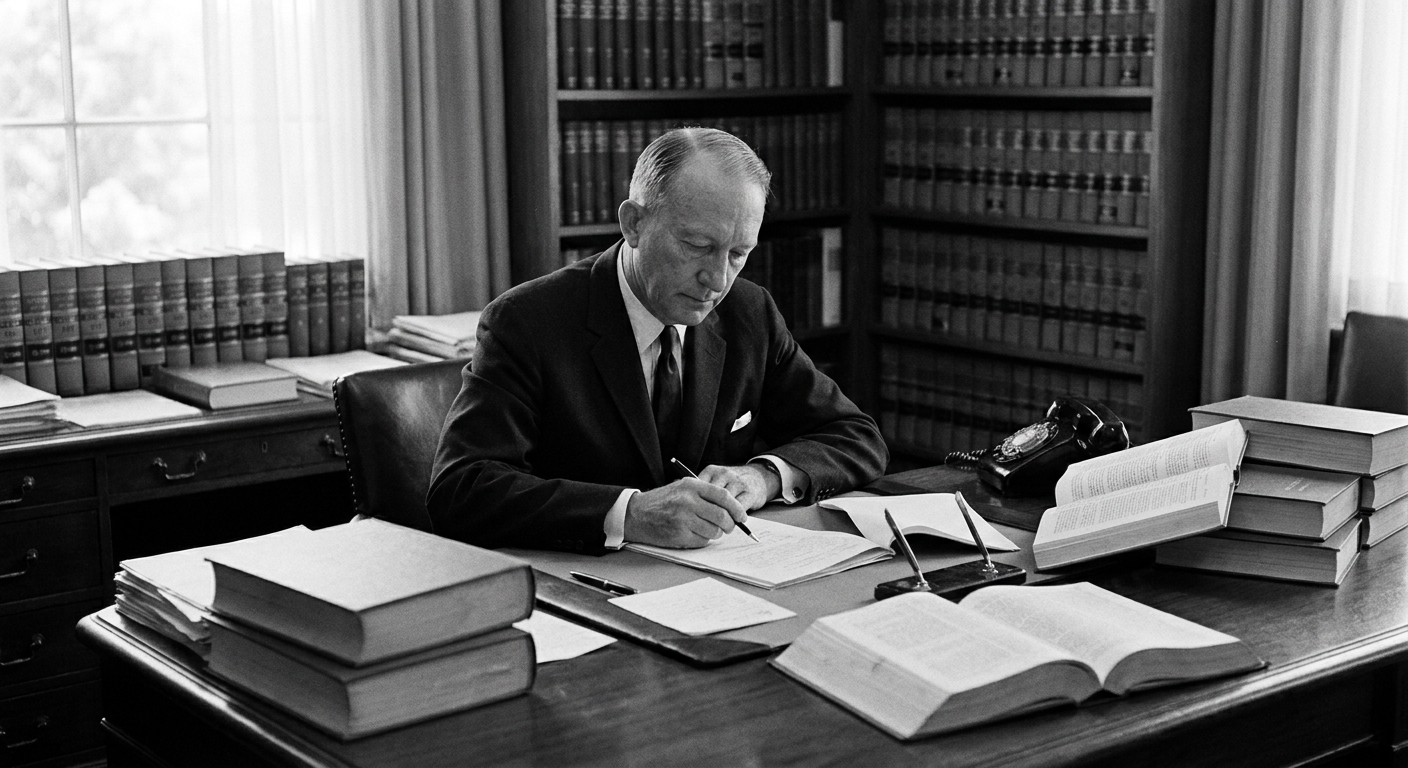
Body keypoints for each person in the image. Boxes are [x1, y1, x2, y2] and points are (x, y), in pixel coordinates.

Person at [428, 127, 887, 553]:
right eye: (698, 246)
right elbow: (462, 489)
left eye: (738, 254)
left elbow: (857, 436)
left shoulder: (749, 313)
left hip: (717, 584)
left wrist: (764, 476)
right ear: (634, 224)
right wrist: (629, 513)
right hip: (585, 588)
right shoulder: (528, 322)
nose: (717, 278)